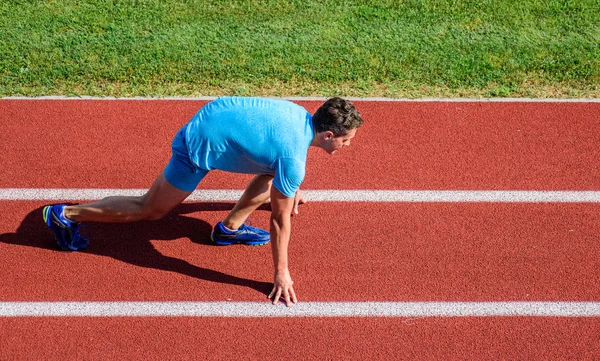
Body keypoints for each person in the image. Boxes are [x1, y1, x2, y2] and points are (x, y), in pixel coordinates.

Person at [42, 96, 363, 306]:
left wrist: (289, 190)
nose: (348, 146)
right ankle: (67, 214)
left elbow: (276, 154)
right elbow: (280, 220)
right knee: (151, 209)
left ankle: (229, 229)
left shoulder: (299, 116)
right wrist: (282, 271)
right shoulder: (293, 160)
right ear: (328, 135)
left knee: (273, 173)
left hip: (213, 116)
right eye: (347, 140)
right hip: (198, 144)